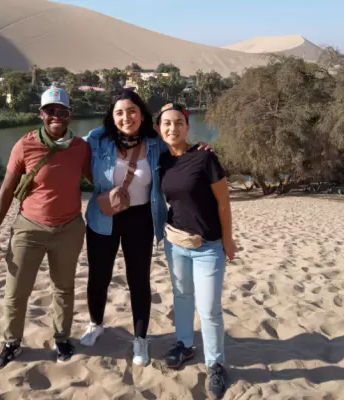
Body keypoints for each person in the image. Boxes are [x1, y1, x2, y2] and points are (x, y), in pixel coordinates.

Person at [0, 85, 92, 370]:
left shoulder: (80, 147)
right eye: (51, 111)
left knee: (63, 287)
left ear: (70, 115)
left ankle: (61, 338)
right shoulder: (24, 145)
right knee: (16, 291)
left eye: (63, 112)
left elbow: (99, 180)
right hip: (28, 229)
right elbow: (6, 191)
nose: (57, 116)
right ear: (41, 114)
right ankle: (12, 343)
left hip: (69, 229)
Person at [79, 89, 167, 366]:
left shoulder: (156, 144)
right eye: (119, 112)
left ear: (141, 114)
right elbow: (68, 151)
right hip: (102, 216)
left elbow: (181, 151)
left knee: (139, 280)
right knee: (99, 276)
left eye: (131, 111)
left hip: (141, 219)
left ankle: (140, 339)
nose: (126, 117)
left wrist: (201, 148)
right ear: (112, 116)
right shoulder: (97, 139)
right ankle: (96, 324)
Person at [156, 103, 236, 399]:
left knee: (210, 309)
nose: (172, 128)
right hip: (175, 242)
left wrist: (228, 239)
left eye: (178, 123)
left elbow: (223, 204)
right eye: (166, 123)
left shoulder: (206, 157)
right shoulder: (162, 160)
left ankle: (215, 364)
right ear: (158, 129)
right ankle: (185, 345)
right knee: (182, 297)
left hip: (208, 246)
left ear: (188, 127)